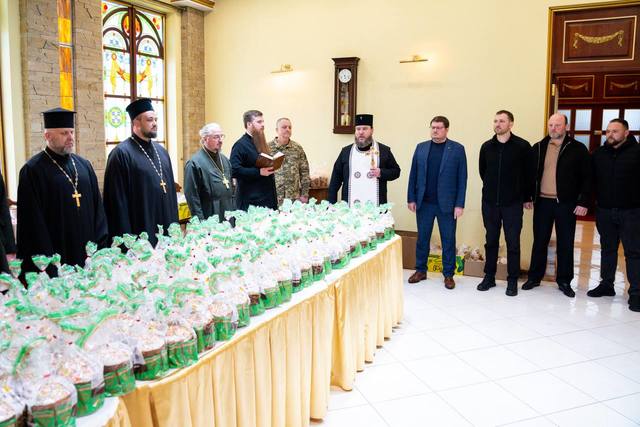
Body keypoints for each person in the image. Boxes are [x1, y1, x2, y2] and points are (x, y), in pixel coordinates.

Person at [16, 108, 108, 276]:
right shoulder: (33, 170)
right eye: (64, 133)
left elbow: (98, 210)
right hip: (56, 255)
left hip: (88, 253)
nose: (70, 137)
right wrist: (48, 262)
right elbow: (32, 223)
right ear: (48, 136)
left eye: (71, 132)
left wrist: (99, 247)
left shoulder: (84, 166)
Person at [522, 113, 591, 298]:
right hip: (542, 202)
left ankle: (564, 281)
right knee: (540, 241)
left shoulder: (577, 149)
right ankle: (534, 278)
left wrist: (583, 201)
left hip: (566, 204)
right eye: (551, 125)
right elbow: (529, 175)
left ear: (566, 127)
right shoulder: (538, 147)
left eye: (558, 125)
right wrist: (527, 196)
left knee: (565, 243)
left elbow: (587, 177)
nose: (553, 128)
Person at [103, 98, 178, 246]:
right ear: (136, 123)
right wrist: (127, 243)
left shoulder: (162, 152)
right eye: (150, 120)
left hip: (166, 227)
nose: (155, 123)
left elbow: (171, 197)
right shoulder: (121, 154)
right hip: (140, 232)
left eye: (156, 119)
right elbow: (117, 204)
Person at [407, 116, 467, 289]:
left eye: (439, 128)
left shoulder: (457, 149)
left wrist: (459, 204)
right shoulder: (421, 147)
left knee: (448, 240)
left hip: (447, 205)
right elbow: (413, 174)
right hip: (424, 203)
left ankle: (448, 274)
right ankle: (420, 270)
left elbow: (462, 178)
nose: (435, 130)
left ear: (446, 129)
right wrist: (411, 198)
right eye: (433, 127)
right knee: (422, 239)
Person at [477, 110, 532, 296]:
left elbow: (529, 174)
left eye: (502, 121)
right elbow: (483, 171)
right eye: (495, 121)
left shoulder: (522, 146)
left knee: (513, 243)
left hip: (513, 203)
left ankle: (512, 280)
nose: (497, 124)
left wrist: (526, 197)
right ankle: (489, 277)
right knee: (491, 241)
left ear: (511, 124)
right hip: (490, 202)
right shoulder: (486, 147)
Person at [590, 118, 640, 312]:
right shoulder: (599, 154)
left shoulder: (637, 152)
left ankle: (636, 293)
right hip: (605, 210)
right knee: (607, 249)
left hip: (631, 212)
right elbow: (591, 181)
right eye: (608, 131)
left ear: (626, 133)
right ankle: (606, 285)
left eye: (615, 131)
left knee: (633, 252)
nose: (610, 134)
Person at [328, 114, 401, 205]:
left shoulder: (383, 150)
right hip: (350, 208)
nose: (361, 132)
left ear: (372, 130)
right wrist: (331, 203)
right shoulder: (346, 152)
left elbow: (396, 171)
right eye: (358, 129)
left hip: (376, 207)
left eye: (365, 129)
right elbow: (335, 179)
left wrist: (381, 172)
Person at [183, 123, 234, 222]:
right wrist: (200, 222)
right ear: (205, 139)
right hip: (209, 215)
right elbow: (192, 197)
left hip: (228, 213)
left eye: (221, 136)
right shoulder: (194, 163)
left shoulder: (225, 160)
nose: (220, 140)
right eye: (216, 137)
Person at [230, 110, 277, 210]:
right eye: (259, 122)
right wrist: (259, 172)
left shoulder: (261, 142)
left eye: (263, 121)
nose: (263, 125)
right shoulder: (240, 145)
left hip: (267, 199)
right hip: (251, 203)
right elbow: (234, 170)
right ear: (249, 124)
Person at [267, 118, 310, 205]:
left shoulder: (297, 148)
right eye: (284, 127)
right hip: (273, 198)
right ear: (277, 130)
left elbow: (304, 172)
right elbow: (262, 172)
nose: (288, 129)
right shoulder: (267, 148)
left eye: (290, 127)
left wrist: (304, 194)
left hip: (293, 199)